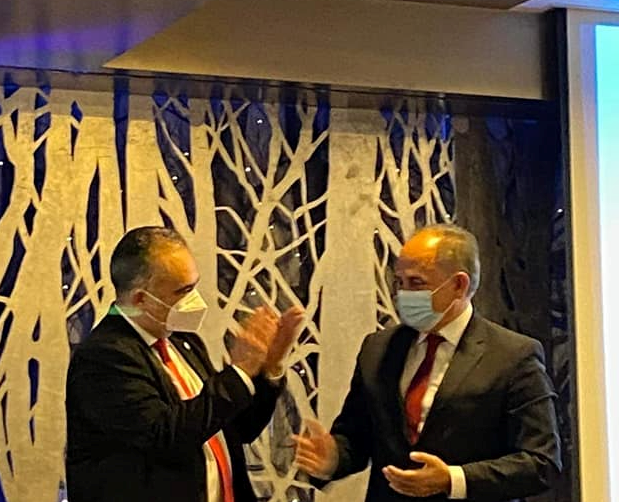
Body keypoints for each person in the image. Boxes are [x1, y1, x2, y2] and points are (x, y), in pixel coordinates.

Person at [293, 224, 561, 501]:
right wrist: (333, 459)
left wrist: (453, 480)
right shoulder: (378, 349)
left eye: (416, 283)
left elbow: (541, 463)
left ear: (459, 285)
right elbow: (356, 438)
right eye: (399, 282)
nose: (403, 294)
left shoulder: (512, 356)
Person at [65, 226, 304, 502]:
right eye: (183, 291)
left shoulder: (182, 341)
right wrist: (239, 371)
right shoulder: (104, 357)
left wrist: (269, 368)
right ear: (140, 298)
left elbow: (235, 427)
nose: (195, 300)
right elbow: (166, 438)